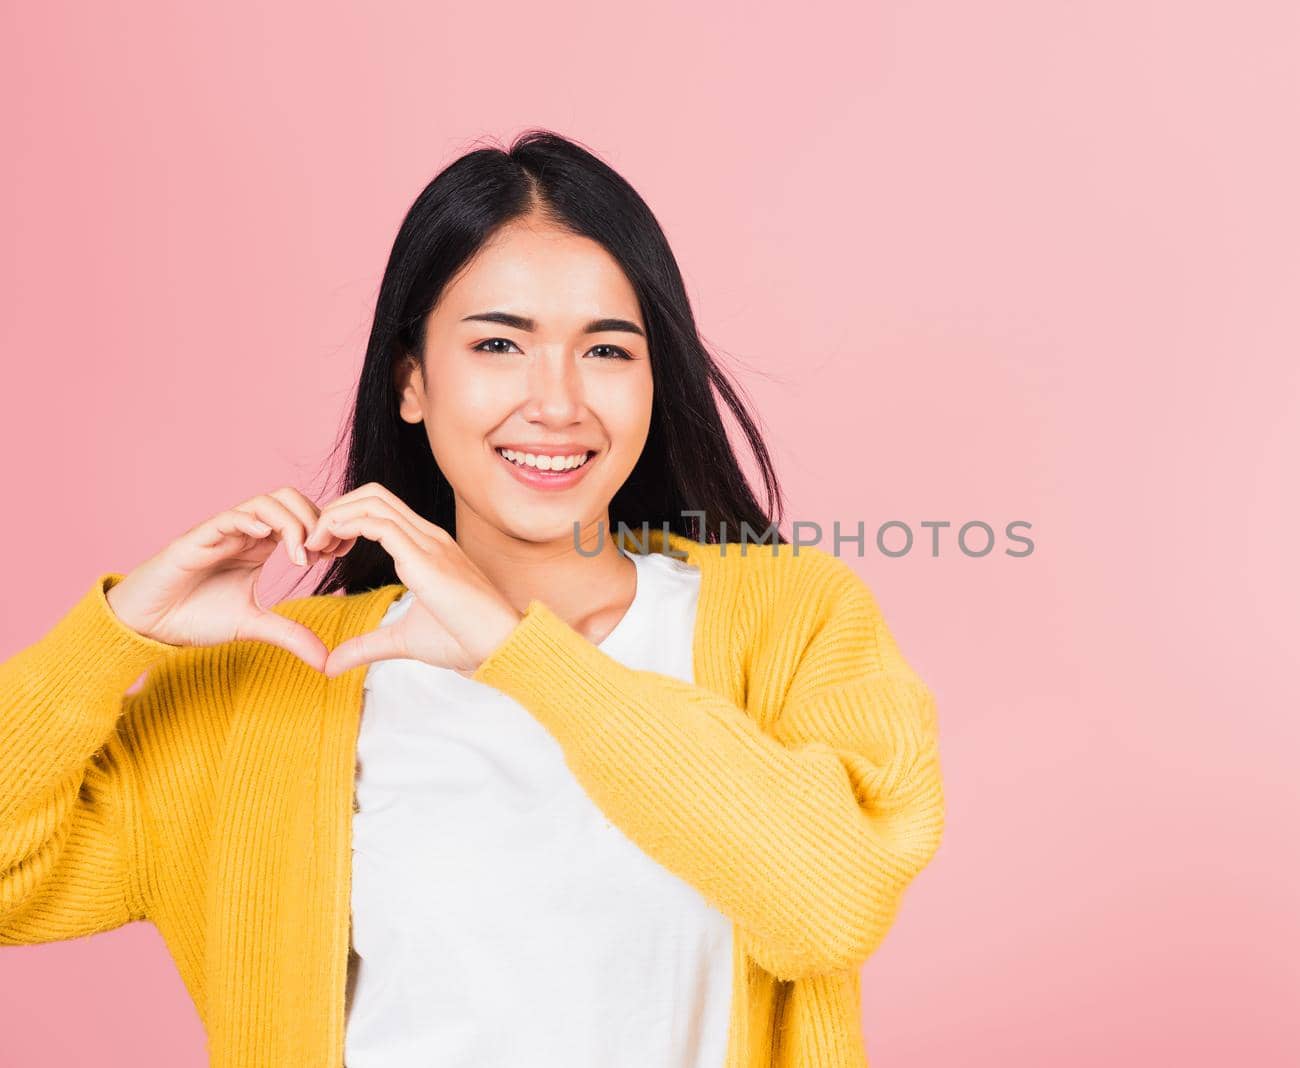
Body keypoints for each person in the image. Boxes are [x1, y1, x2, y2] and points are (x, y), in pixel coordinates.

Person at [0, 129, 946, 1067]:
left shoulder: (791, 618)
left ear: (656, 380)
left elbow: (829, 910)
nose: (558, 402)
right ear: (411, 379)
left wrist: (522, 655)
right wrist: (110, 637)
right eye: (500, 343)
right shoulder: (281, 679)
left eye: (609, 351)